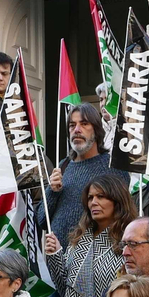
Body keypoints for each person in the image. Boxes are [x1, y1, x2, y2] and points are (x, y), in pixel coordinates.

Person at [45, 103, 117, 243]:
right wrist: (52, 191)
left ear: (96, 130)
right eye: (72, 125)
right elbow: (42, 219)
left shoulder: (112, 166)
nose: (77, 130)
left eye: (84, 124)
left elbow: (121, 216)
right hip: (56, 252)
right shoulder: (63, 166)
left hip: (95, 252)